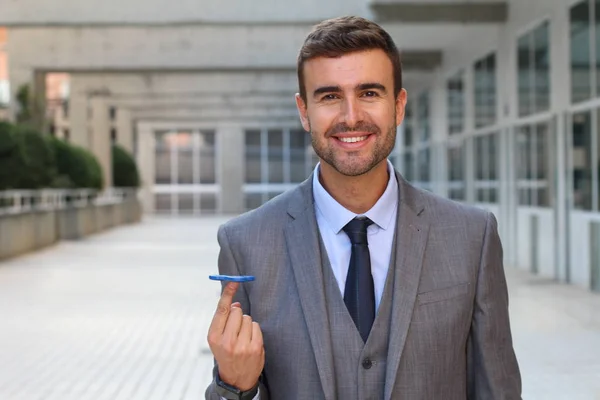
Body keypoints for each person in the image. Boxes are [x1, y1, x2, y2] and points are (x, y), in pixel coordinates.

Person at [205, 15, 522, 400]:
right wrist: (233, 387)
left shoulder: (472, 236)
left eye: (369, 93)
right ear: (304, 111)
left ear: (399, 106)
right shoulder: (246, 243)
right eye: (330, 96)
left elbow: (497, 391)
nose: (351, 116)